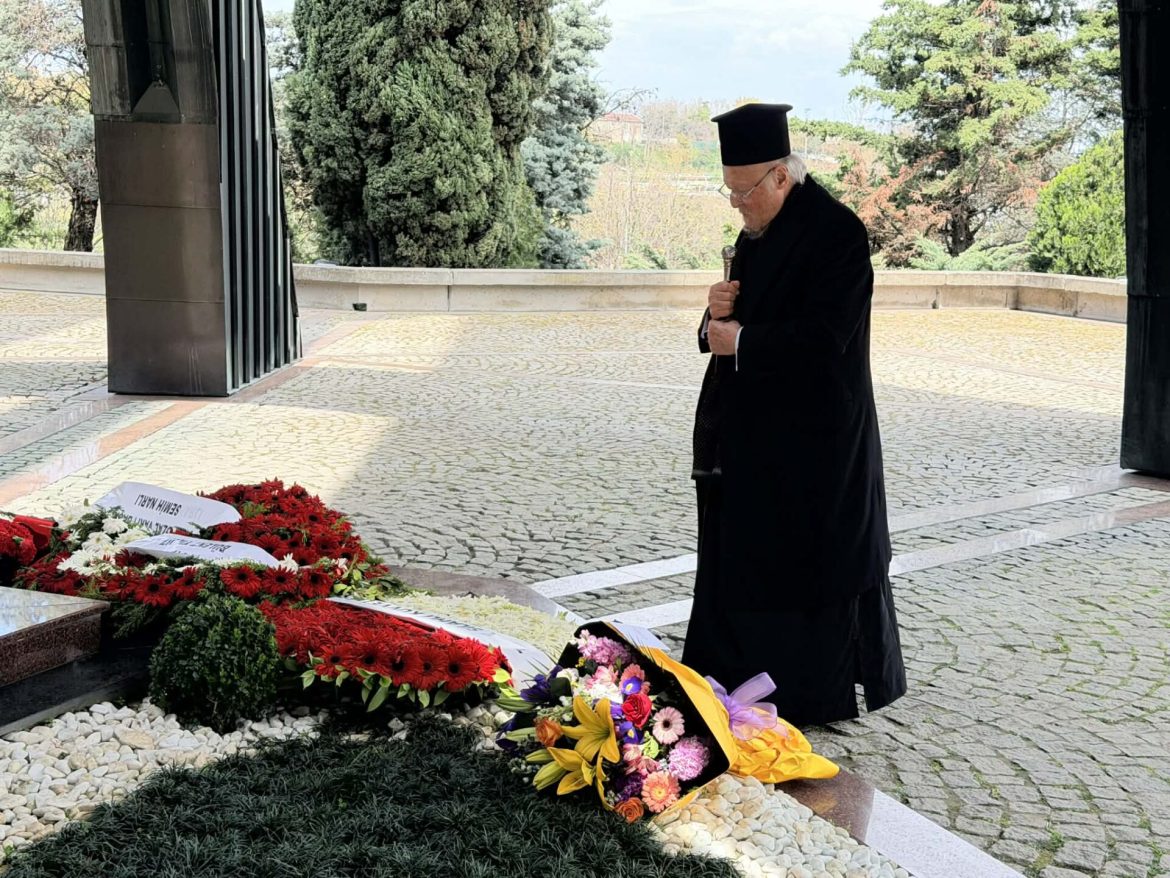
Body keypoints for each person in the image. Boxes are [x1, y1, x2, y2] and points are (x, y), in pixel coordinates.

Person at [683, 102, 906, 727]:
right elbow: (727, 329)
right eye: (728, 191)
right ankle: (730, 680)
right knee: (743, 557)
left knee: (805, 564)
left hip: (816, 443)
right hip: (750, 439)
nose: (737, 204)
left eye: (745, 190)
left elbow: (826, 335)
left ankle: (804, 695)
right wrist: (713, 312)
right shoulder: (757, 234)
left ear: (782, 176)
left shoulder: (837, 233)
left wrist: (742, 340)